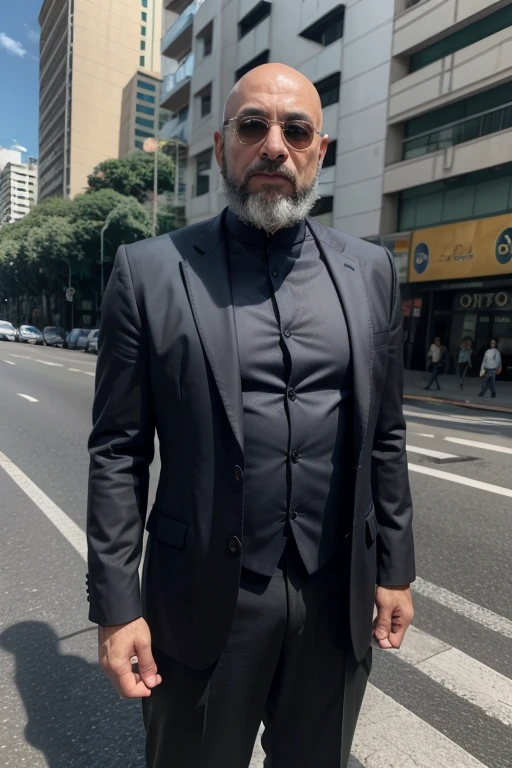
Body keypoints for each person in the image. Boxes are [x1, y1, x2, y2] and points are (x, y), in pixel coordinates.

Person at [86, 63, 415, 768]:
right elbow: (118, 450)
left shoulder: (372, 273)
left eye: (296, 130)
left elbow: (386, 435)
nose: (275, 145)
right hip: (204, 604)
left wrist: (396, 570)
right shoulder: (148, 272)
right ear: (220, 145)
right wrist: (117, 606)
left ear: (319, 150)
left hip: (336, 603)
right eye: (253, 126)